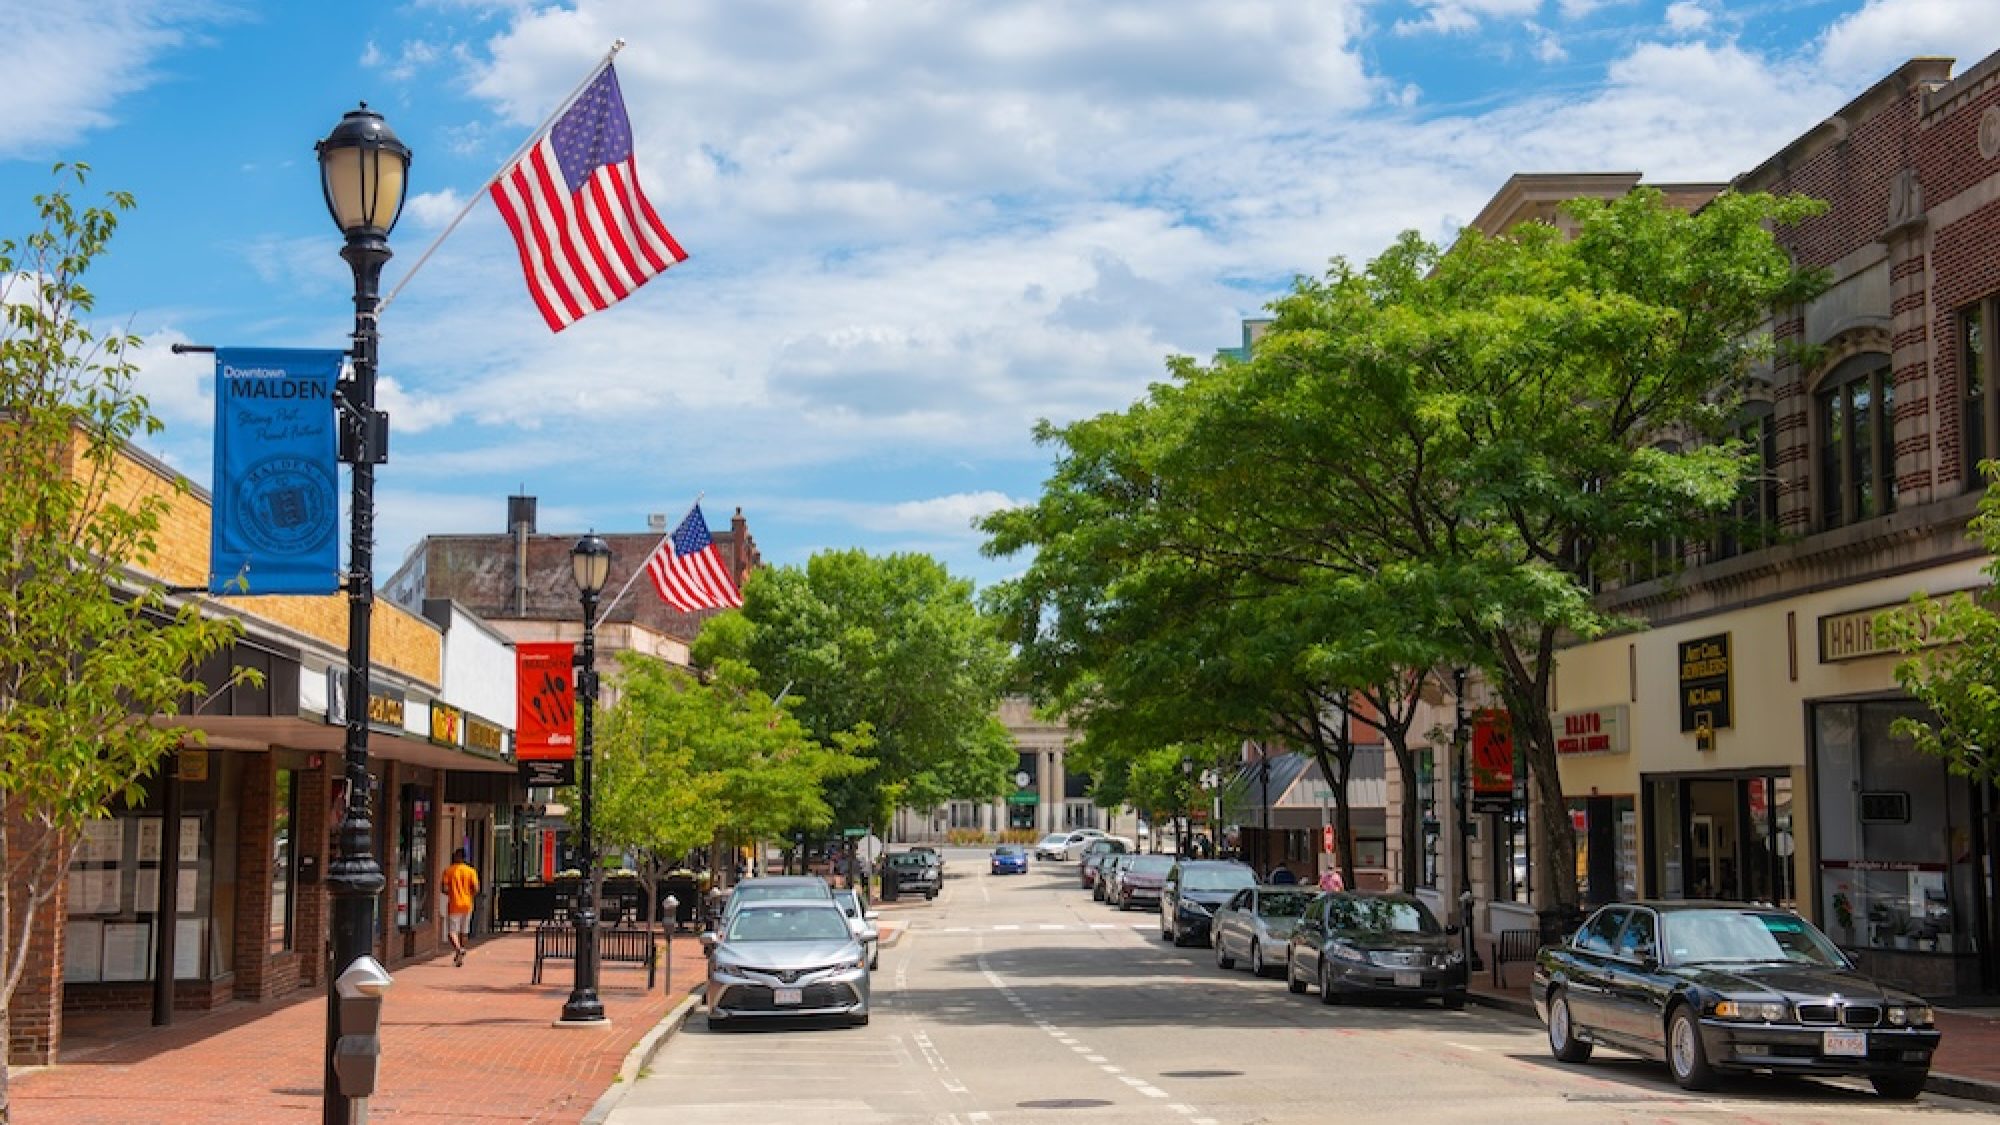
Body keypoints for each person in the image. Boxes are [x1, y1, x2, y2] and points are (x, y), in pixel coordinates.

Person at [441, 848, 480, 967]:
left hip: (454, 904)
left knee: (452, 931)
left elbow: (444, 888)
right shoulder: (471, 871)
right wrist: (469, 894)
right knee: (464, 931)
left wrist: (452, 893)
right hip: (467, 904)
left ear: (456, 857)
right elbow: (476, 888)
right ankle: (460, 956)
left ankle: (458, 949)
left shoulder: (448, 871)